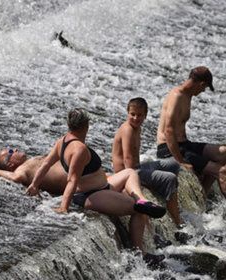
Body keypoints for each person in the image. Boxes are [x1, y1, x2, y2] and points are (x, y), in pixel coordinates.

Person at [26, 108, 165, 262]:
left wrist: (34, 184)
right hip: (91, 195)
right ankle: (141, 255)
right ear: (86, 126)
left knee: (130, 172)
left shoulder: (62, 141)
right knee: (138, 211)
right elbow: (72, 180)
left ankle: (141, 199)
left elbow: (45, 164)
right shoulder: (79, 149)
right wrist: (63, 207)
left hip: (102, 186)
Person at [156, 66, 226, 209]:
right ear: (201, 84)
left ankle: (202, 195)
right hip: (168, 148)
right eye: (203, 89)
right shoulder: (177, 96)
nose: (202, 92)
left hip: (184, 144)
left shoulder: (188, 94)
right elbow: (168, 132)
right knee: (221, 171)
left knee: (224, 152)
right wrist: (180, 161)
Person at [112, 98, 182, 225]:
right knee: (170, 178)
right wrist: (132, 181)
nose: (135, 118)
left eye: (139, 115)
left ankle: (169, 196)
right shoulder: (127, 129)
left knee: (173, 164)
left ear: (145, 116)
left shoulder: (137, 128)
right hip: (128, 173)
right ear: (127, 113)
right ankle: (177, 221)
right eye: (132, 114)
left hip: (138, 168)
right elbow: (127, 157)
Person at [0, 148, 67, 196]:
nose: (16, 149)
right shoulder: (21, 169)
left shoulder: (28, 163)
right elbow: (16, 177)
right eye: (11, 152)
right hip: (75, 183)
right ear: (10, 164)